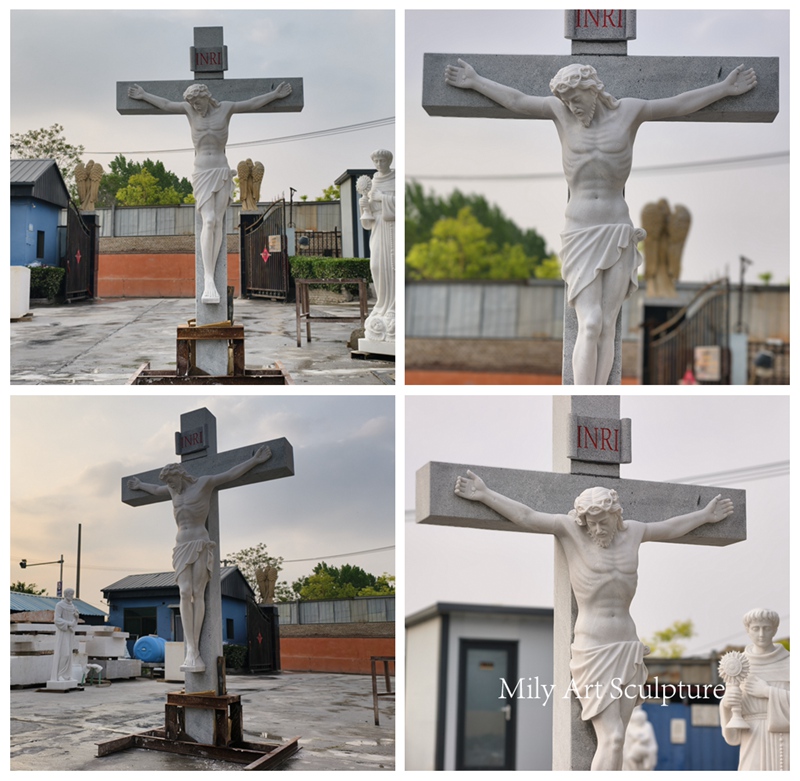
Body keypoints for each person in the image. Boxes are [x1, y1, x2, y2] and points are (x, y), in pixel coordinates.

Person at [444, 60, 756, 384]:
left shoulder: (630, 113)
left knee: (607, 324)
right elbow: (517, 101)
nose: (573, 107)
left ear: (592, 90)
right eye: (567, 102)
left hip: (618, 229)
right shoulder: (561, 112)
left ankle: (599, 395)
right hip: (579, 230)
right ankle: (581, 395)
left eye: (577, 99)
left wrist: (723, 89)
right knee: (589, 322)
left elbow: (677, 105)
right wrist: (476, 81)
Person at [454, 475, 733, 770]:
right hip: (594, 648)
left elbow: (670, 528)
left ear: (616, 515)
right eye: (591, 522)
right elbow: (527, 515)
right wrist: (485, 494)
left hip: (628, 645)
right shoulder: (570, 531)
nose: (597, 528)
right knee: (611, 737)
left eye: (603, 521)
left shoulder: (635, 532)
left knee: (619, 738)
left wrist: (704, 516)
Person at [128, 81, 292, 304]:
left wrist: (274, 95)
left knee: (217, 223)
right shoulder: (189, 111)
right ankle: (208, 278)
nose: (196, 107)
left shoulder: (226, 108)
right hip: (202, 172)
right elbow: (166, 104)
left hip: (222, 170)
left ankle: (212, 275)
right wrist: (144, 95)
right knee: (209, 221)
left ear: (206, 97)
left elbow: (252, 103)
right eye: (192, 103)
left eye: (198, 102)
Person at [128, 444, 272, 672]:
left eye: (172, 482)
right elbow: (155, 490)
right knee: (183, 593)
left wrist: (254, 461)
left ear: (180, 475)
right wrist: (139, 485)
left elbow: (230, 474)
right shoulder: (173, 491)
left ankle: (194, 652)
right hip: (181, 545)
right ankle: (191, 649)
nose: (170, 487)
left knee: (196, 593)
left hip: (200, 543)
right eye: (168, 484)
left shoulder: (204, 483)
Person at [720, 608, 790, 770]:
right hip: (752, 737)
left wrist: (767, 691)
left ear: (775, 630)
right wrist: (726, 704)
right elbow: (733, 716)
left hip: (785, 739)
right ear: (747, 630)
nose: (761, 634)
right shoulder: (737, 664)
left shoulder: (791, 663)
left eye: (766, 628)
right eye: (755, 628)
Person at [359, 149, 396, 344]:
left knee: (393, 267)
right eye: (376, 160)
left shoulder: (397, 179)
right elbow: (368, 218)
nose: (379, 163)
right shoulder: (372, 183)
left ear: (389, 161)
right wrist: (365, 205)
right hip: (379, 228)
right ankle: (382, 304)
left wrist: (382, 198)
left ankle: (393, 307)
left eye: (382, 160)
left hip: (394, 228)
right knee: (376, 266)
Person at [50, 588, 80, 682]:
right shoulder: (60, 605)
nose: (72, 596)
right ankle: (59, 675)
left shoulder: (72, 606)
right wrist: (68, 623)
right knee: (64, 654)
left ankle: (67, 675)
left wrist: (76, 617)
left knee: (69, 655)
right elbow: (57, 619)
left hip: (69, 633)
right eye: (71, 594)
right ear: (66, 594)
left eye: (73, 594)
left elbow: (74, 621)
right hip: (63, 632)